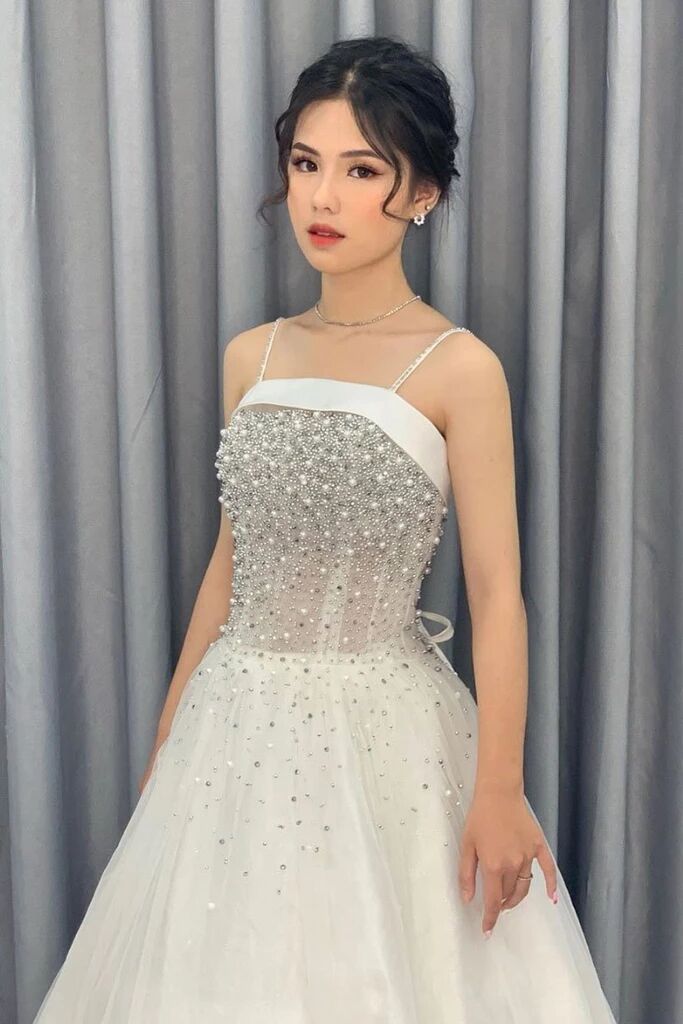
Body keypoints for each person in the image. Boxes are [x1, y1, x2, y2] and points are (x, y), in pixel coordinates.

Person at [34, 34, 618, 1024]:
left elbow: (495, 595)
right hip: (231, 726)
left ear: (421, 191)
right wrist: (172, 730)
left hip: (388, 735)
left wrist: (499, 786)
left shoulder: (458, 367)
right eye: (306, 164)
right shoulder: (251, 356)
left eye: (361, 171)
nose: (322, 197)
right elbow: (233, 559)